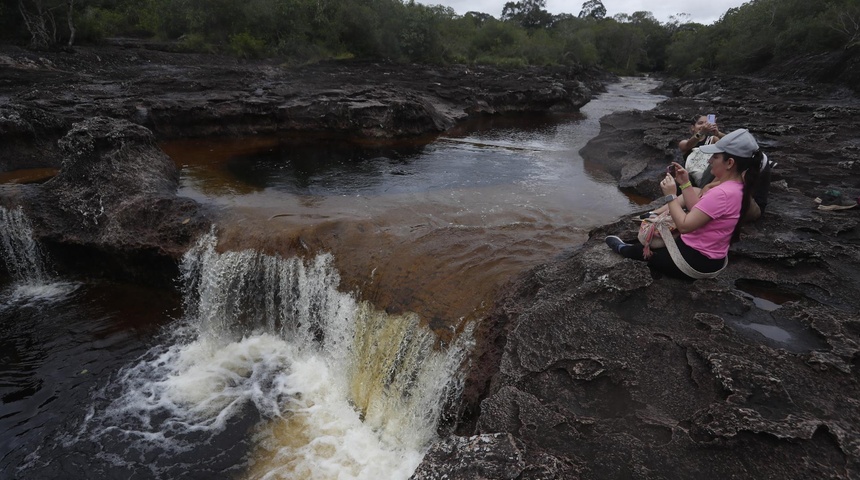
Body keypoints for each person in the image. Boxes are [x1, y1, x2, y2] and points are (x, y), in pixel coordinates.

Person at [606, 128, 763, 280]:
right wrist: (685, 184)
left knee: (642, 251)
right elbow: (699, 212)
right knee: (656, 242)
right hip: (712, 260)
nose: (709, 161)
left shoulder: (721, 193)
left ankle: (623, 249)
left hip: (692, 262)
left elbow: (685, 226)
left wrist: (671, 196)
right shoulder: (738, 188)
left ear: (729, 163)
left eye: (715, 157)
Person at [679, 114, 725, 188]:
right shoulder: (684, 142)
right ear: (693, 127)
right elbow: (688, 145)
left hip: (711, 174)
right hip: (693, 177)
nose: (704, 125)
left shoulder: (713, 139)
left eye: (706, 123)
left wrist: (718, 133)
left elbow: (731, 143)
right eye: (700, 123)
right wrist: (701, 132)